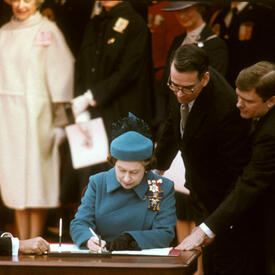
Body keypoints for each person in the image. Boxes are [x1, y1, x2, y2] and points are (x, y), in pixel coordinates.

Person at [154, 44, 252, 274]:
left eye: (186, 89)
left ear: (204, 79)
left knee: (224, 262)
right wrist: (155, 170)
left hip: (224, 202)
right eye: (173, 85)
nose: (178, 93)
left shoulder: (226, 110)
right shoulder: (179, 82)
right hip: (198, 185)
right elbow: (172, 124)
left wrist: (210, 226)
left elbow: (237, 178)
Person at [177, 61, 275, 274]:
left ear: (271, 101)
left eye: (247, 100)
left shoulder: (271, 134)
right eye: (238, 96)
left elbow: (250, 182)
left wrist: (204, 230)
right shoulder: (246, 111)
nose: (237, 104)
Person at [0, 0, 74, 240]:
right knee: (15, 178)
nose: (21, 5)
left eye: (28, 0)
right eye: (16, 0)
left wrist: (60, 119)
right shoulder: (3, 33)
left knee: (37, 177)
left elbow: (61, 72)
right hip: (8, 117)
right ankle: (21, 242)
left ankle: (36, 238)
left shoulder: (47, 30)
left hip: (37, 114)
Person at [70, 114, 177, 252]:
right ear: (114, 163)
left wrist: (131, 239)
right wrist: (89, 239)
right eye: (121, 170)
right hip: (101, 258)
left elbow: (165, 233)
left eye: (134, 172)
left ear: (147, 167)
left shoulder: (158, 186)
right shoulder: (98, 183)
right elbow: (79, 224)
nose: (126, 178)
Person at [210, 1, 275, 86]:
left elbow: (268, 52)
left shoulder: (264, 13)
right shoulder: (220, 14)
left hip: (250, 79)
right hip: (223, 78)